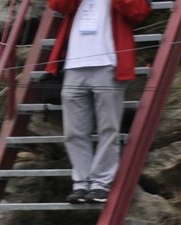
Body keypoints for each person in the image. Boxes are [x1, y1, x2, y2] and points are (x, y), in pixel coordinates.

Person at [46, 0, 151, 205]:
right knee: (74, 131)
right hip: (73, 65)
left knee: (108, 128)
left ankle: (100, 183)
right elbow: (56, 5)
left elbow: (139, 12)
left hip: (108, 64)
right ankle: (81, 183)